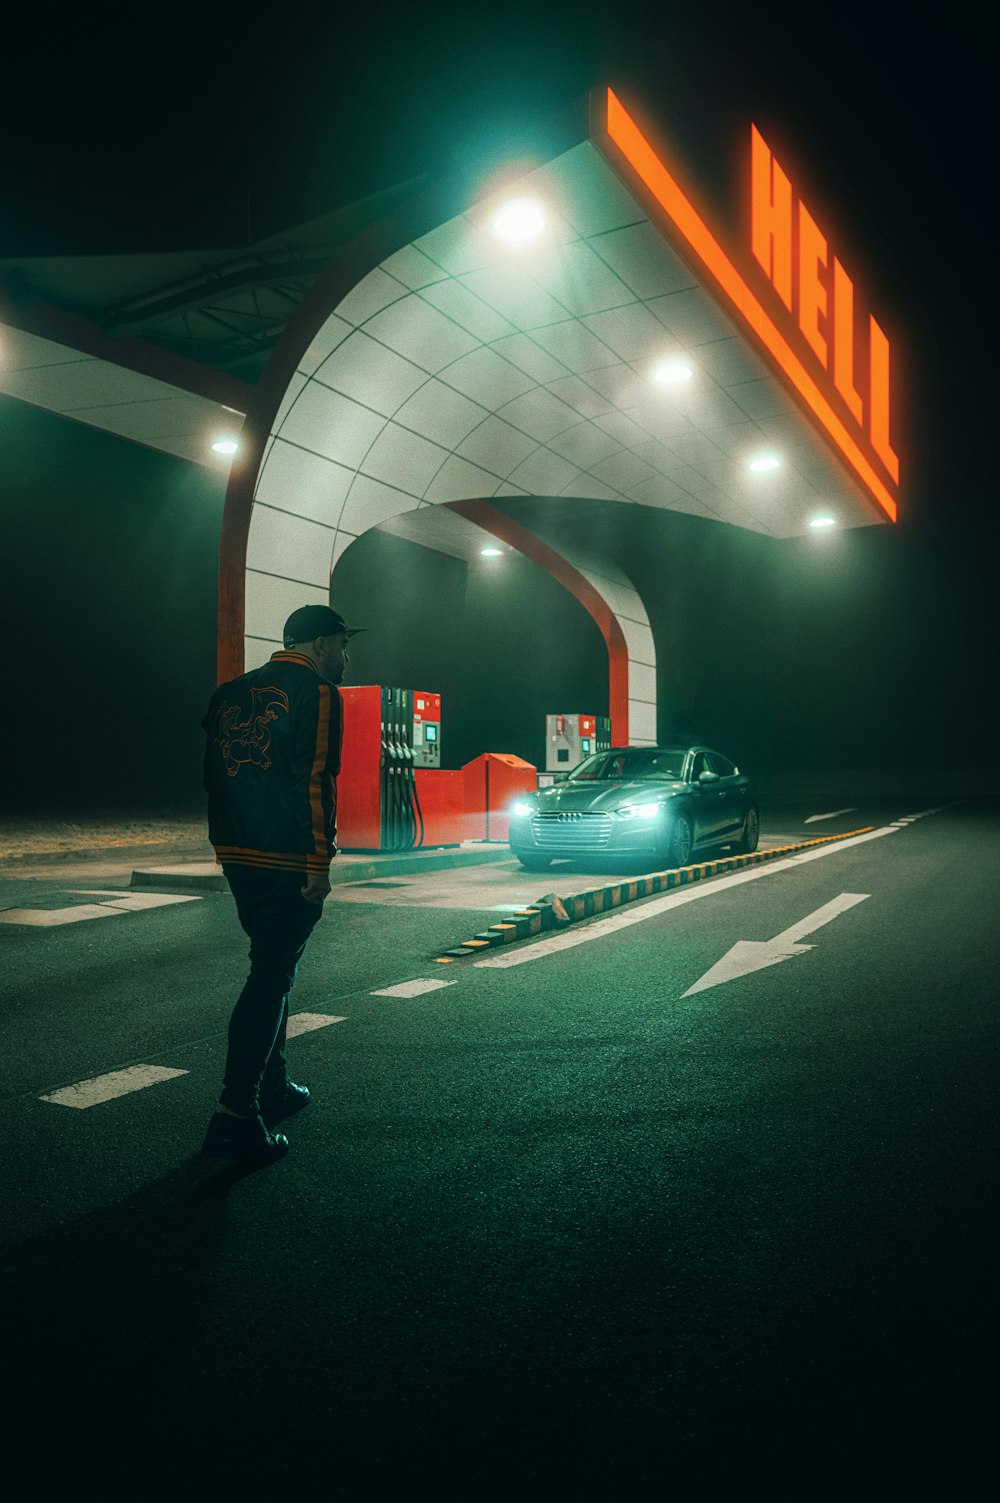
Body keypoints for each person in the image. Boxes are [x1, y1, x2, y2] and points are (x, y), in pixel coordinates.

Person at [199, 604, 363, 1163]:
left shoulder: (228, 694)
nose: (346, 657)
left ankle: (274, 1087)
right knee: (269, 977)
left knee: (274, 967)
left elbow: (213, 779)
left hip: (239, 857)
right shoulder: (318, 694)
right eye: (343, 645)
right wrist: (319, 863)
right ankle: (235, 1115)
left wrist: (227, 848)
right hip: (289, 862)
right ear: (319, 645)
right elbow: (315, 780)